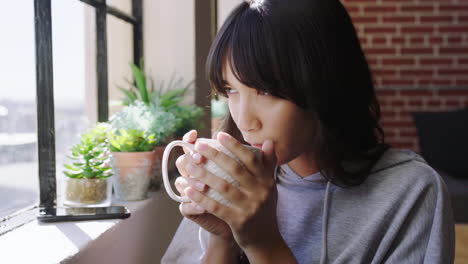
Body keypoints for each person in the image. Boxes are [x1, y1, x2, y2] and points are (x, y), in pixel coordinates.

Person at [162, 0, 455, 263]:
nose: (244, 121)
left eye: (264, 90)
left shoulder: (410, 190)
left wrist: (262, 243)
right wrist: (222, 241)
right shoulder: (230, 180)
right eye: (230, 90)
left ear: (326, 84)